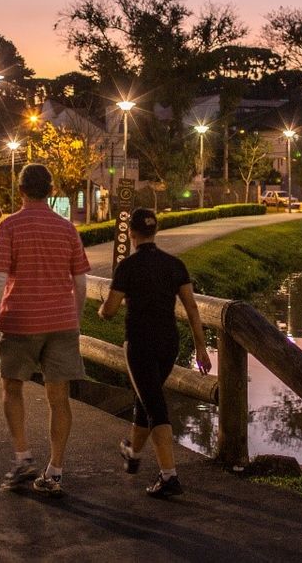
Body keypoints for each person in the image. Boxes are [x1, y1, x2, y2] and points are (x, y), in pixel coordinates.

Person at [0, 163, 90, 498]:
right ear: (51, 190)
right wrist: (73, 317)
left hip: (20, 321)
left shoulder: (9, 226)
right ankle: (55, 470)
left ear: (20, 190)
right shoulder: (66, 228)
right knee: (58, 398)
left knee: (12, 387)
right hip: (61, 322)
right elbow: (81, 281)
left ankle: (22, 457)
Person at [98, 208, 211, 498]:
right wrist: (200, 347)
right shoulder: (175, 265)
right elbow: (192, 307)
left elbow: (109, 311)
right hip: (169, 343)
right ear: (156, 230)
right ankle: (133, 455)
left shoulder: (128, 267)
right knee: (146, 397)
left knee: (155, 406)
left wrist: (101, 308)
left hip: (140, 344)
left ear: (132, 233)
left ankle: (169, 476)